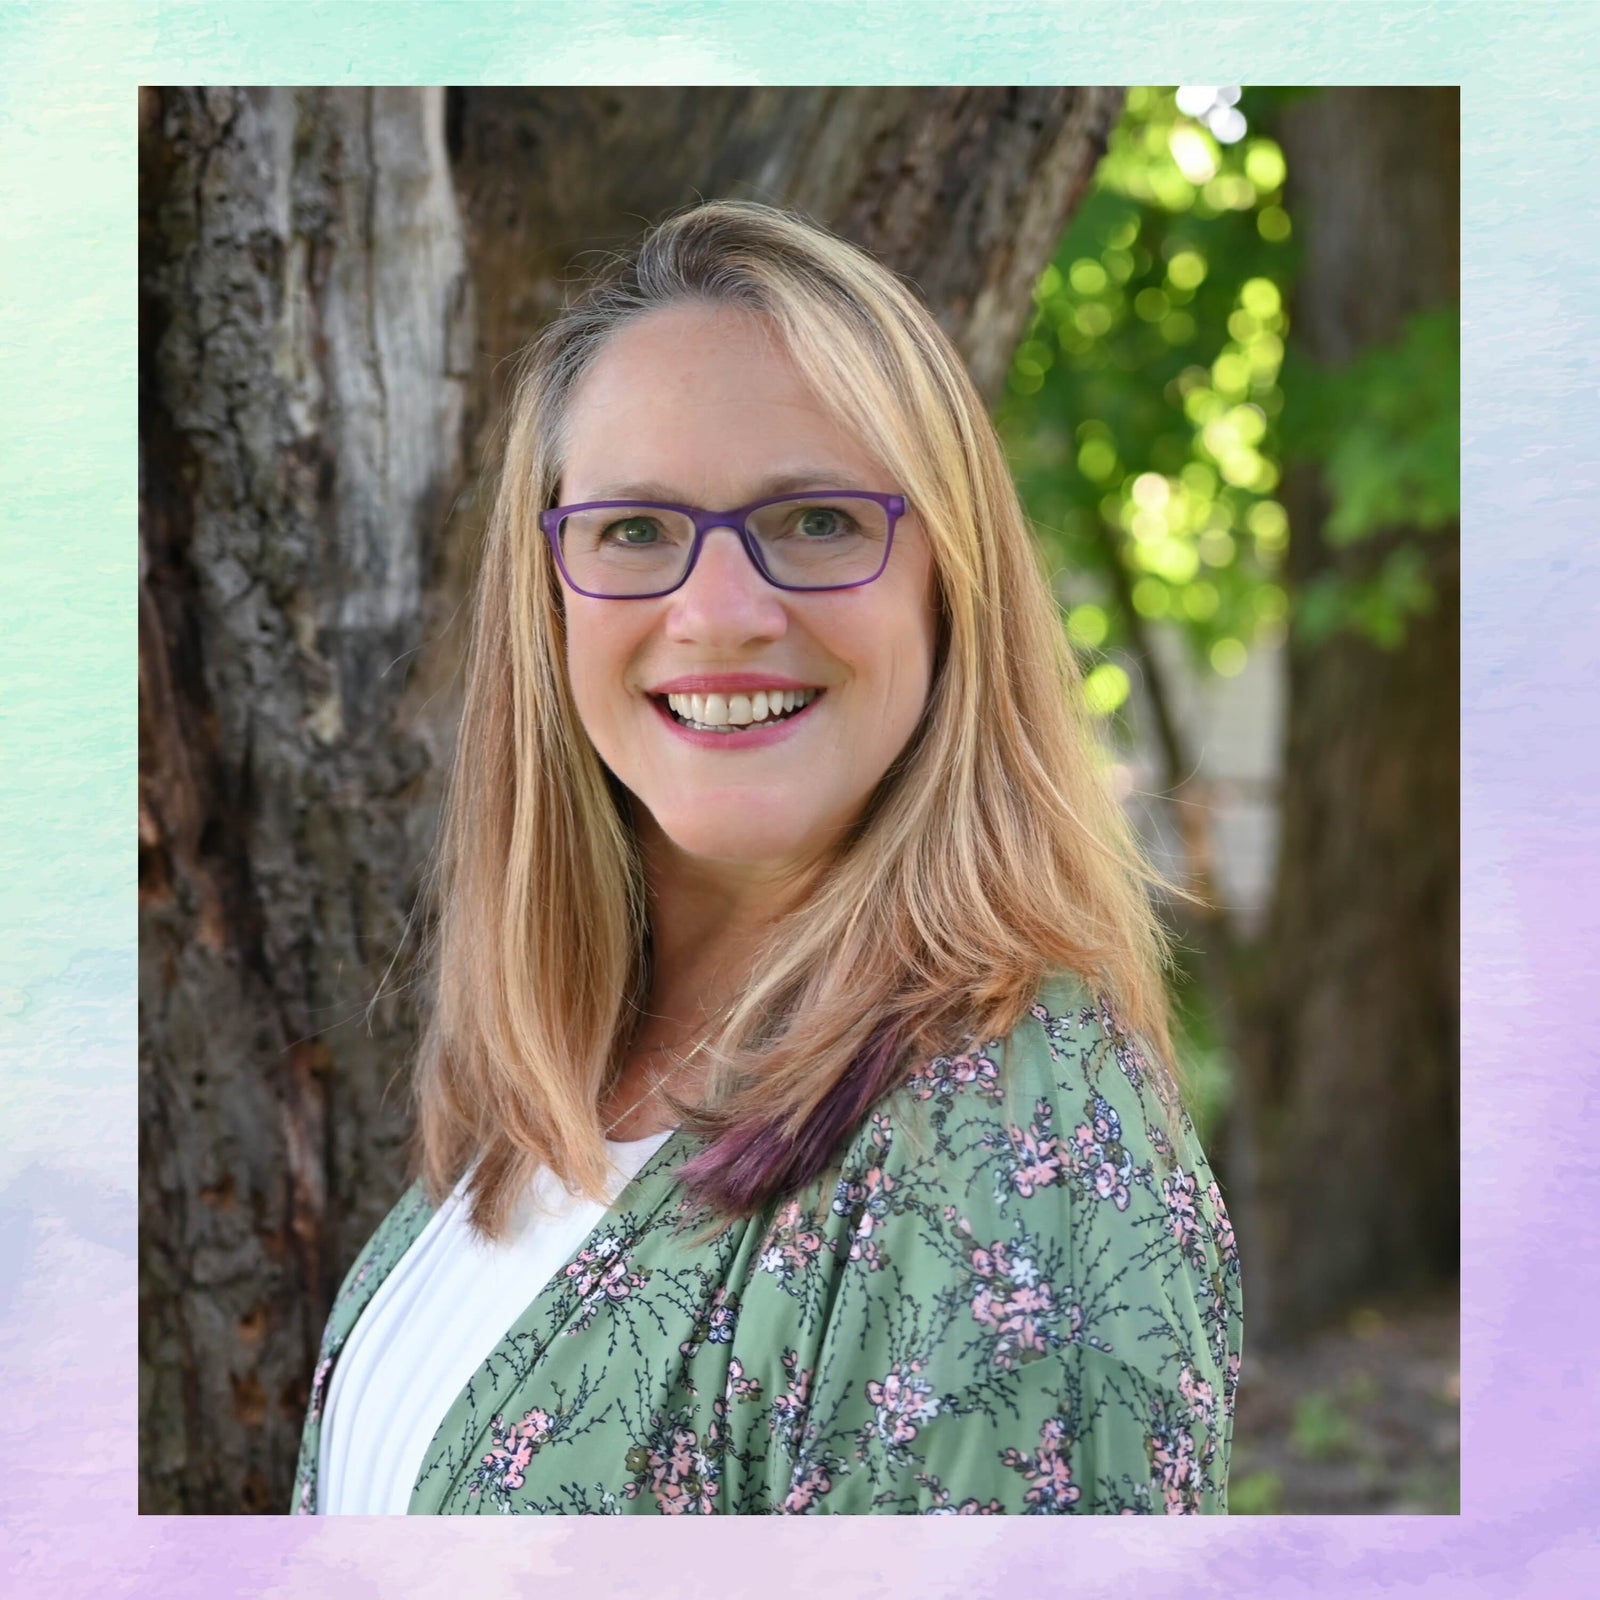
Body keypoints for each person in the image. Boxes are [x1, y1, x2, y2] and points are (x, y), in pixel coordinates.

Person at [291, 200, 1242, 1516]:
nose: (720, 613)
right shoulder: (556, 1087)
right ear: (548, 594)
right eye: (633, 531)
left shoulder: (1010, 1148)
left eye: (815, 522)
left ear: (949, 584)